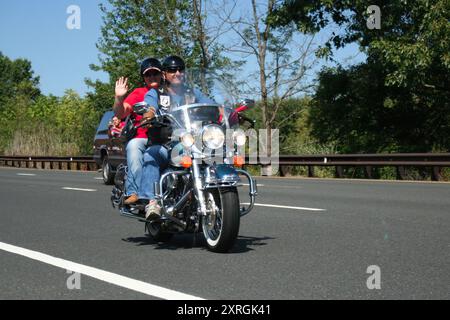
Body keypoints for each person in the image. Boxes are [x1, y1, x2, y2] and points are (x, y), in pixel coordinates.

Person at [139, 55, 215, 219]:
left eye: (181, 69)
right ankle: (152, 203)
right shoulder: (157, 93)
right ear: (165, 74)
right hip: (165, 143)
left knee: (216, 152)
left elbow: (211, 105)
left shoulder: (192, 92)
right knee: (150, 155)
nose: (177, 73)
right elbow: (150, 107)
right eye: (172, 70)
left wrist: (227, 112)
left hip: (191, 142)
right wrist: (148, 115)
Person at [113, 57, 163, 205]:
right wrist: (119, 98)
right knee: (134, 146)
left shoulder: (170, 91)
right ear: (144, 78)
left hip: (168, 138)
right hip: (144, 137)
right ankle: (135, 191)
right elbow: (121, 113)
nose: (152, 76)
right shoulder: (138, 93)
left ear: (162, 75)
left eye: (155, 73)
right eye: (148, 74)